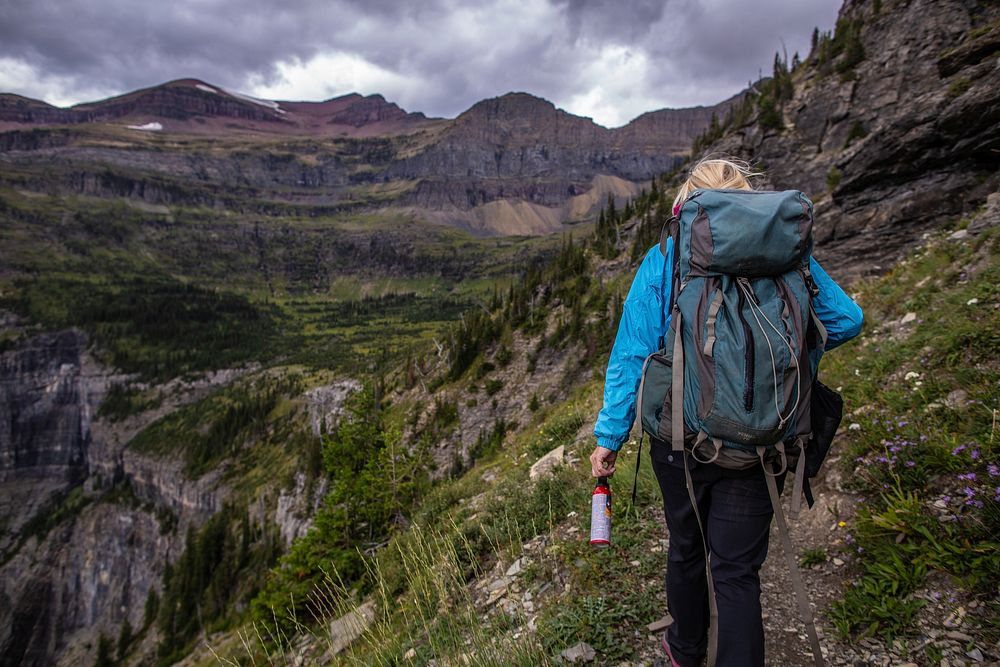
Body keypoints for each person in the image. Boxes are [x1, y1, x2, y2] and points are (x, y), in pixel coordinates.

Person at [589, 156, 863, 667]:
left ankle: (686, 650)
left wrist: (611, 436)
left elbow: (632, 354)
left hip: (681, 442)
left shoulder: (666, 260)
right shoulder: (789, 259)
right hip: (765, 443)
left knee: (687, 548)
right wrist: (782, 365)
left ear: (689, 207)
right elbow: (846, 320)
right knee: (737, 572)